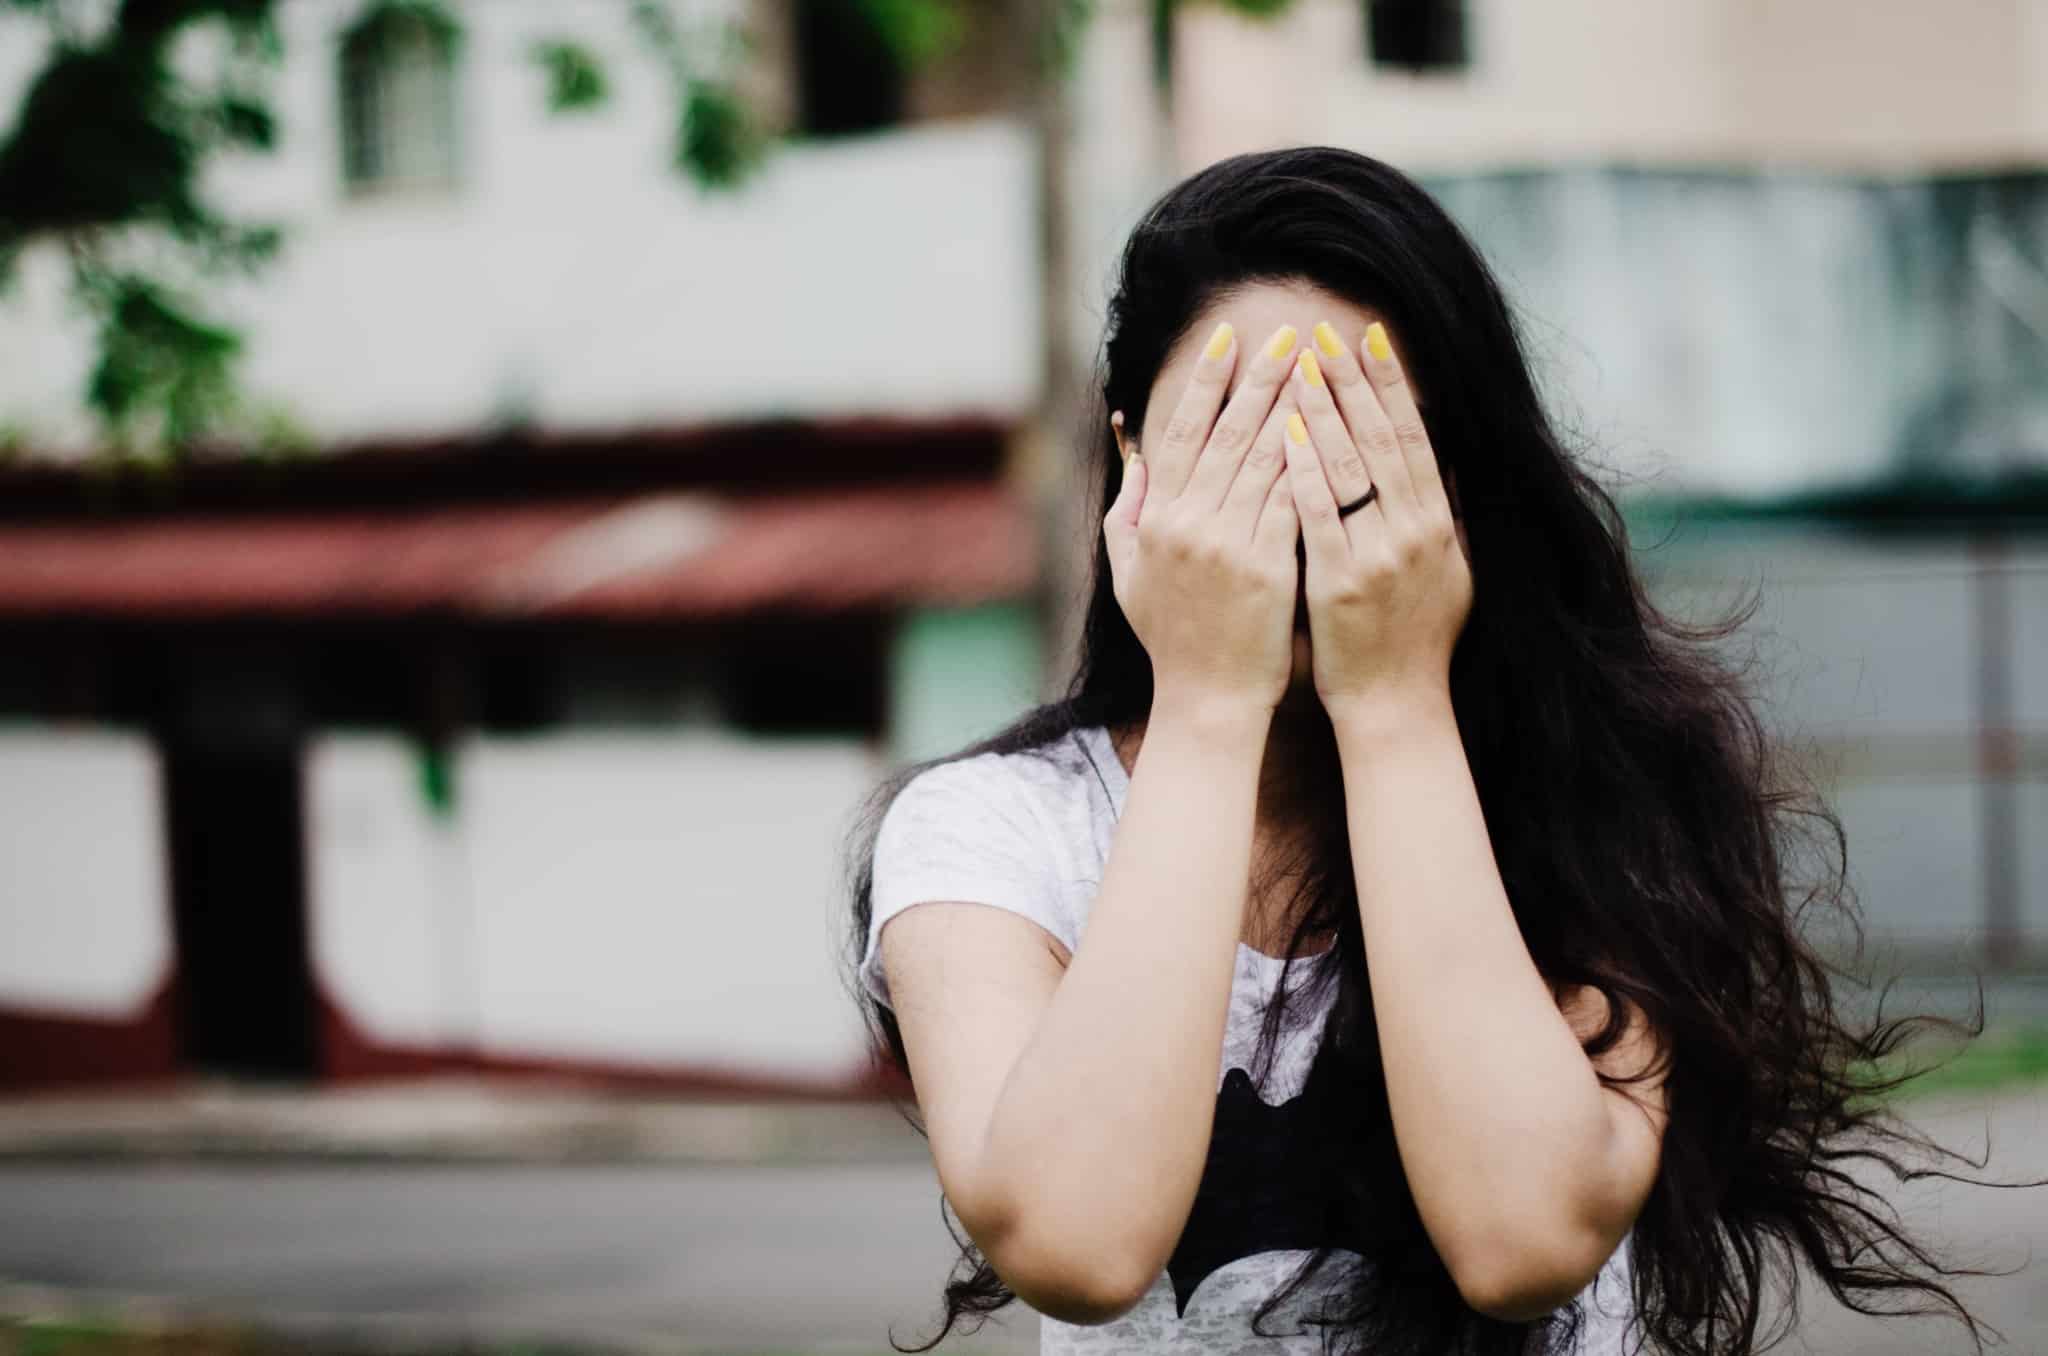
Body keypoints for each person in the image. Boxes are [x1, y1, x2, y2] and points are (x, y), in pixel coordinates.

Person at [841, 146, 2023, 1356]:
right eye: (1236, 444)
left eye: (1357, 451)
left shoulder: (1600, 793)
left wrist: (1396, 700)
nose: (1296, 504)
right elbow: (1077, 1248)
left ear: (1458, 482)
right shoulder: (989, 833)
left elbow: (1521, 1246)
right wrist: (1207, 698)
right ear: (1129, 464)